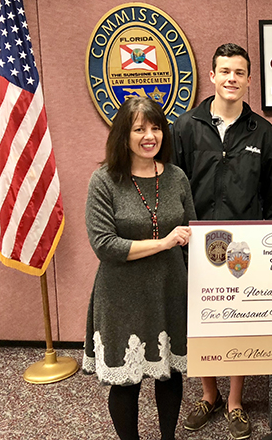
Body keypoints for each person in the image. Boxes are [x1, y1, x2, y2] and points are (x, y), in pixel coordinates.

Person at [172, 43, 272, 440]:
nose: (231, 79)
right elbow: (173, 186)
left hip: (245, 248)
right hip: (195, 246)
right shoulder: (186, 126)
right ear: (213, 75)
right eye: (225, 71)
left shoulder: (264, 132)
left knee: (237, 321)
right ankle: (209, 394)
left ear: (249, 79)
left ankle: (235, 400)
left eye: (239, 72)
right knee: (198, 324)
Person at [83, 97, 195, 440]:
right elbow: (104, 245)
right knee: (126, 382)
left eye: (156, 127)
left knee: (169, 374)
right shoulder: (103, 180)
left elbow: (192, 232)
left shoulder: (176, 176)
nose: (150, 136)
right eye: (139, 129)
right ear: (123, 135)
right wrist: (163, 243)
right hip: (122, 295)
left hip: (171, 290)